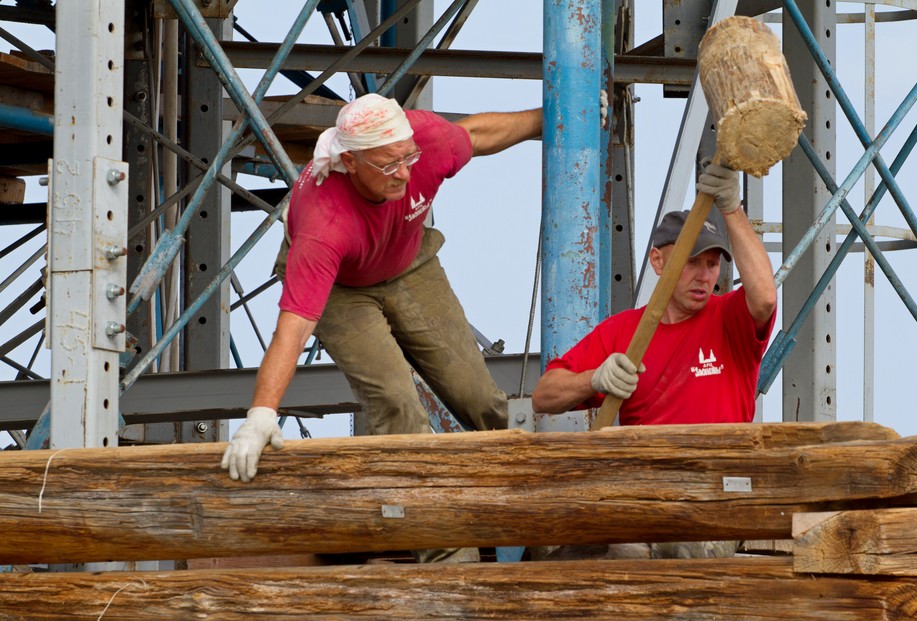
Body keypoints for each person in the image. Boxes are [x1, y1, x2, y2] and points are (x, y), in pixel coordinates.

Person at [221, 94, 544, 560]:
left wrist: (549, 118)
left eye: (407, 158)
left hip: (407, 262)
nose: (405, 173)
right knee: (396, 402)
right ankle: (438, 551)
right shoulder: (322, 224)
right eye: (389, 165)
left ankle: (536, 517)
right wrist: (261, 416)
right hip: (342, 289)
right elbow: (290, 331)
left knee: (479, 397)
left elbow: (477, 133)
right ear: (349, 161)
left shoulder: (423, 143)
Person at [531, 163, 777, 559]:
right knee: (579, 555)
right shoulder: (624, 332)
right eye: (692, 261)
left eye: (713, 264)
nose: (704, 275)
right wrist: (594, 379)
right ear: (658, 262)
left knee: (681, 552)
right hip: (640, 494)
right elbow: (543, 397)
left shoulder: (730, 318)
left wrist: (732, 208)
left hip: (714, 498)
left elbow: (765, 297)